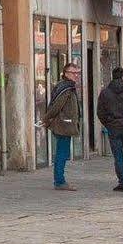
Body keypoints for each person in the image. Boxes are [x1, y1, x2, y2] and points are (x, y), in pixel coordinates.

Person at [95, 66, 123, 192]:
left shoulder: (105, 93)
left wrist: (108, 123)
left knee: (118, 157)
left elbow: (100, 112)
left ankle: (122, 183)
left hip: (113, 128)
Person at [40, 63, 83, 191]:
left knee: (62, 152)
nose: (76, 76)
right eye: (73, 73)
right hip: (63, 125)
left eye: (78, 73)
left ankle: (59, 180)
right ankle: (59, 181)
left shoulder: (67, 87)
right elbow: (56, 106)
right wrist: (46, 118)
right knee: (62, 153)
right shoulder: (66, 88)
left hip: (65, 124)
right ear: (66, 73)